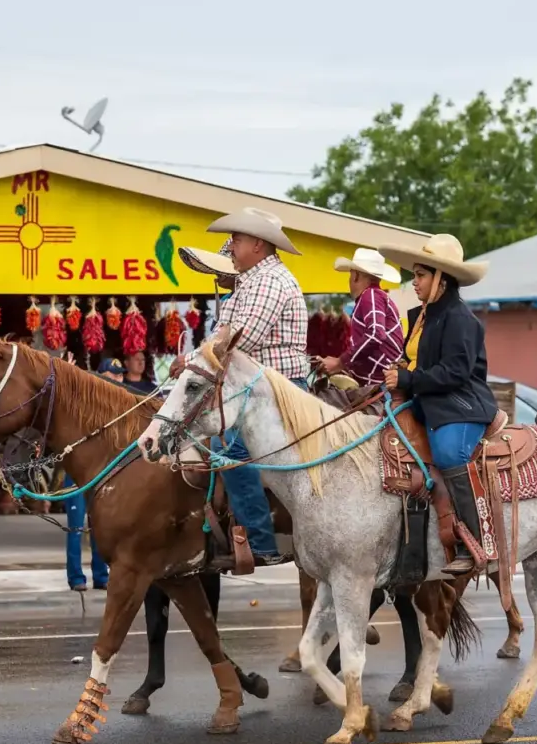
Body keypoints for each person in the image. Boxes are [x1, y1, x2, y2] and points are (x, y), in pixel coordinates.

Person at [168, 208, 309, 567]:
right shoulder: (250, 281)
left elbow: (237, 343)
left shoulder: (269, 282)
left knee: (229, 452)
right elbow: (220, 337)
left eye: (238, 239)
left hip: (277, 388)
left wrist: (193, 361)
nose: (231, 246)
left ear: (258, 244)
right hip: (255, 386)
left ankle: (260, 543)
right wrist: (195, 359)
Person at [378, 234, 498, 577]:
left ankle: (477, 543)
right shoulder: (422, 317)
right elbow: (415, 362)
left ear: (441, 279)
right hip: (427, 403)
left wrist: (407, 381)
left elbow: (456, 371)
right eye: (414, 275)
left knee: (448, 456)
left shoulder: (461, 319)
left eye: (420, 275)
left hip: (460, 406)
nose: (413, 282)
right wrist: (400, 371)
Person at [319, 248, 405, 386]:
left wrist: (341, 362)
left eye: (351, 274)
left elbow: (376, 334)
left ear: (356, 276)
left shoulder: (370, 295)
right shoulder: (376, 296)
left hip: (378, 383)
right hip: (380, 379)